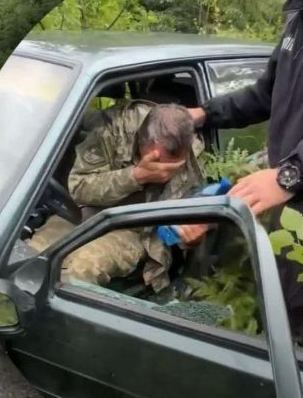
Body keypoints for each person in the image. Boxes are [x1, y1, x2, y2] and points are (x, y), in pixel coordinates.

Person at [183, 0, 303, 343]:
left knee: (300, 336)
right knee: (278, 318)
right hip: (299, 199)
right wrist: (202, 114)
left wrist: (289, 174)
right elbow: (267, 93)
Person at [29, 101, 204, 292]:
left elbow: (187, 223)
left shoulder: (193, 160)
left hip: (134, 229)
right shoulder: (112, 129)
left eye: (174, 166)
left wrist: (191, 239)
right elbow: (79, 188)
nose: (166, 172)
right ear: (147, 145)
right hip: (79, 214)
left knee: (78, 272)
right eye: (160, 163)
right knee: (29, 259)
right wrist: (135, 176)